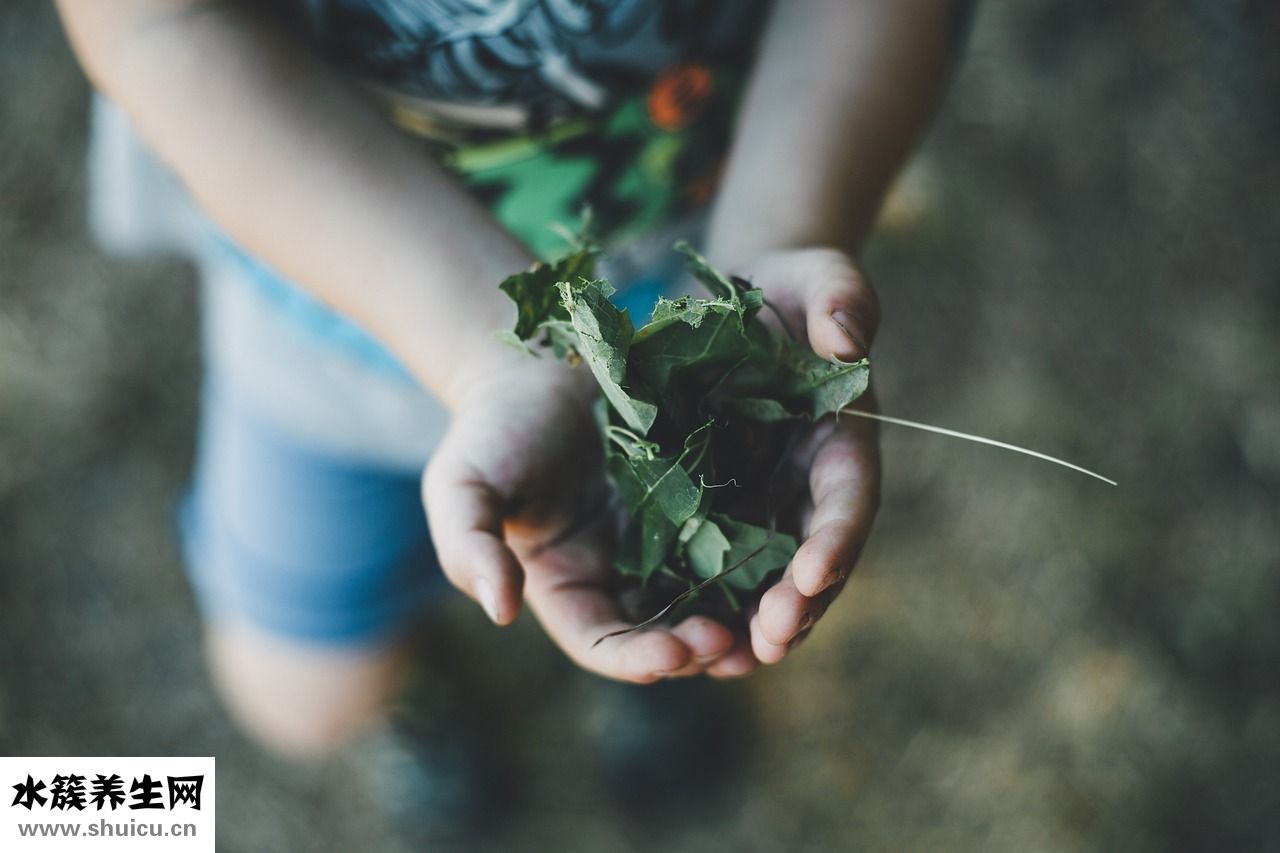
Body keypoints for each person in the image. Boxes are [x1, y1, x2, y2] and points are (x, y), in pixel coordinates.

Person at [54, 0, 966, 762]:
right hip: (329, 318)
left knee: (663, 568)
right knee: (303, 699)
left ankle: (658, 639)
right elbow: (160, 25)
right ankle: (423, 684)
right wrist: (487, 351)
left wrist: (772, 239)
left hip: (689, 244)